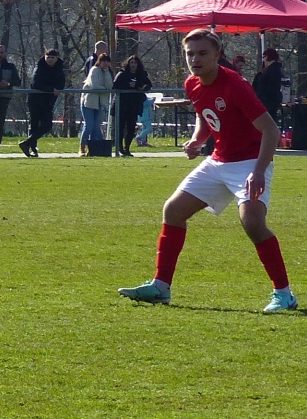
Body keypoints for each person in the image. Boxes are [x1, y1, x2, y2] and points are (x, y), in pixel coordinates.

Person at [119, 28, 296, 313]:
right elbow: (206, 116)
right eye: (190, 54)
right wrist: (197, 140)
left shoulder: (235, 85)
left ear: (217, 55)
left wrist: (258, 172)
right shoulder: (192, 84)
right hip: (218, 161)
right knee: (173, 210)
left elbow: (271, 131)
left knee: (252, 223)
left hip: (249, 162)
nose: (195, 59)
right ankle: (161, 287)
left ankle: (284, 295)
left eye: (202, 53)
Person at [25, 48, 65, 156]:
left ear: (56, 58)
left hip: (48, 101)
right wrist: (51, 89)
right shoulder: (39, 67)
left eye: (52, 57)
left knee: (47, 125)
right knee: (33, 125)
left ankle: (26, 143)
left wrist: (56, 89)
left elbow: (62, 83)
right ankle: (32, 149)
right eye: (48, 57)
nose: (50, 59)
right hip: (35, 100)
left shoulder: (59, 67)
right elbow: (36, 84)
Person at [113, 54, 151, 157]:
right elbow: (115, 85)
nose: (133, 65)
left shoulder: (141, 74)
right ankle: (119, 147)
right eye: (131, 62)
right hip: (122, 104)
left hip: (134, 105)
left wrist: (142, 87)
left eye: (135, 63)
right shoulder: (122, 74)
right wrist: (128, 85)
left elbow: (149, 85)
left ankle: (127, 148)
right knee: (120, 127)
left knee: (131, 128)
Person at [80, 50, 113, 152]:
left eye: (107, 61)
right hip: (89, 102)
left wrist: (107, 73)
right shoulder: (94, 70)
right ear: (99, 61)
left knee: (96, 127)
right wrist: (105, 89)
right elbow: (94, 86)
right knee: (89, 125)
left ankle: (93, 149)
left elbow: (110, 86)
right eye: (103, 61)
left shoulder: (108, 72)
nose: (105, 63)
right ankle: (82, 147)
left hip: (100, 103)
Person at [253, 48, 286, 121]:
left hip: (268, 102)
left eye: (264, 57)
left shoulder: (273, 70)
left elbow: (271, 87)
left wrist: (263, 97)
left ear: (267, 57)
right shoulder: (273, 69)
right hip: (269, 101)